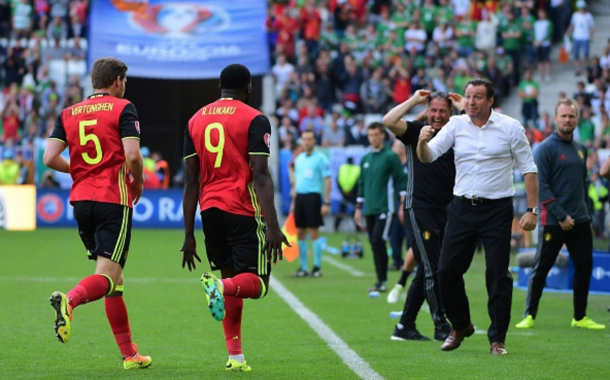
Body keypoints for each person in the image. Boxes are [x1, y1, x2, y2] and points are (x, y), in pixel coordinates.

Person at [43, 57, 151, 369]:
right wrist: (139, 183)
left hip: (81, 202)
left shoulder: (69, 113)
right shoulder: (123, 107)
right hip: (112, 200)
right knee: (107, 276)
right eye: (125, 82)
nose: (125, 86)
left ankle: (130, 355)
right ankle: (70, 300)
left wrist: (78, 172)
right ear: (117, 80)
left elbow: (50, 158)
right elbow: (132, 155)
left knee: (115, 282)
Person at [417, 78, 539, 355]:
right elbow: (429, 156)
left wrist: (532, 210)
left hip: (497, 210)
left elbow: (528, 169)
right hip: (461, 208)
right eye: (468, 97)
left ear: (490, 101)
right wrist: (422, 143)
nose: (471, 102)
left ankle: (497, 339)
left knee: (497, 275)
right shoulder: (456, 125)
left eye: (477, 97)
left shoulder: (510, 127)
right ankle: (460, 325)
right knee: (446, 271)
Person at [180, 64, 289, 372]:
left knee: (233, 282)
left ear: (219, 86)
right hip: (242, 209)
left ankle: (236, 356)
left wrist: (188, 235)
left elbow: (191, 181)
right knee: (259, 283)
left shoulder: (194, 120)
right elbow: (261, 175)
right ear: (249, 87)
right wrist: (272, 225)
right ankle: (219, 288)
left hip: (209, 210)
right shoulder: (255, 119)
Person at [515, 99, 606, 331]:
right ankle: (529, 315)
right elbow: (541, 186)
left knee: (584, 266)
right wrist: (561, 215)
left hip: (580, 220)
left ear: (577, 119)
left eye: (571, 116)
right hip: (554, 221)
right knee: (541, 268)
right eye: (563, 116)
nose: (567, 120)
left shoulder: (581, 148)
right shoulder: (544, 148)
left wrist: (585, 213)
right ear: (555, 119)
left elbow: (582, 185)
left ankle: (580, 317)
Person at [383, 90, 461, 341]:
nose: (437, 115)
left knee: (426, 268)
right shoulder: (417, 131)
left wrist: (462, 108)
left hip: (447, 209)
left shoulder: (458, 132)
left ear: (450, 113)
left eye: (443, 111)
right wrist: (415, 100)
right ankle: (441, 325)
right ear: (427, 111)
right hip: (420, 209)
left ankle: (404, 326)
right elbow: (388, 121)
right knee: (434, 268)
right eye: (433, 110)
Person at [354, 122, 407, 293]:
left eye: (376, 134)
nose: (373, 138)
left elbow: (402, 179)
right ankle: (380, 280)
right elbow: (361, 184)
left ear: (383, 135)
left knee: (378, 240)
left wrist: (402, 203)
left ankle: (382, 280)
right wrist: (358, 208)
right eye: (370, 135)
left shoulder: (390, 157)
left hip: (386, 208)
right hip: (369, 208)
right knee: (374, 242)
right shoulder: (365, 159)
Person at [291, 129, 331, 277]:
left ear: (314, 141)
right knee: (300, 232)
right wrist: (294, 202)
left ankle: (317, 267)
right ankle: (303, 267)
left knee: (313, 231)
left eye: (309, 139)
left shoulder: (321, 158)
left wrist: (326, 202)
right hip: (300, 198)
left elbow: (327, 181)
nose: (306, 142)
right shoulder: (299, 159)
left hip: (313, 197)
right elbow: (296, 182)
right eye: (304, 139)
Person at [334, 156, 360, 232]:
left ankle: (336, 227)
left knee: (341, 211)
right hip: (353, 193)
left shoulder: (342, 168)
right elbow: (358, 182)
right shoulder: (357, 169)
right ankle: (358, 228)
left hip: (344, 193)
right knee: (355, 211)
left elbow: (337, 180)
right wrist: (352, 192)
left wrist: (342, 191)